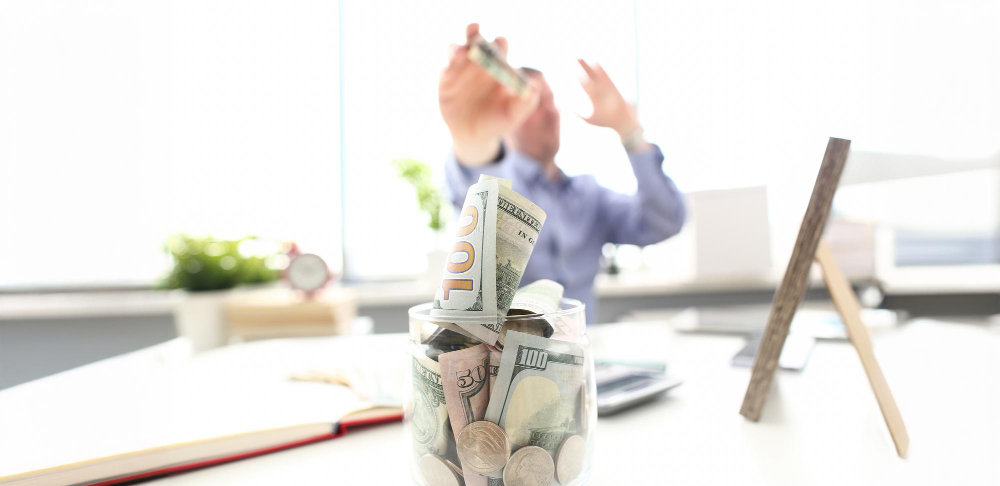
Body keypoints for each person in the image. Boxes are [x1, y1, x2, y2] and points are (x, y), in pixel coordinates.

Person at [440, 24, 685, 323]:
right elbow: (475, 182)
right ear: (507, 112)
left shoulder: (590, 196)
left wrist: (629, 130)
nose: (551, 112)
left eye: (552, 102)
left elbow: (665, 221)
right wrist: (472, 140)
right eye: (536, 104)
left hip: (581, 350)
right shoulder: (497, 181)